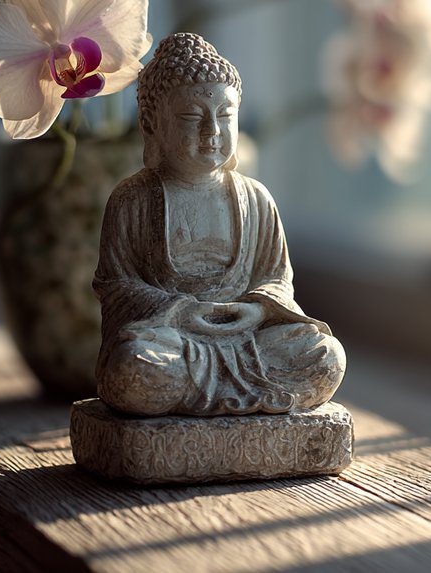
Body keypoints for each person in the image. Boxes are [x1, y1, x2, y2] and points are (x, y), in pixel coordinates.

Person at [93, 33, 345, 416]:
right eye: (192, 118)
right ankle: (238, 397)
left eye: (225, 116)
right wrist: (179, 311)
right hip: (174, 340)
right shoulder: (133, 200)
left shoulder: (256, 200)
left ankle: (200, 400)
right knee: (134, 368)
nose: (212, 131)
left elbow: (276, 278)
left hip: (248, 339)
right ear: (150, 124)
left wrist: (258, 311)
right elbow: (115, 285)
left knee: (324, 356)